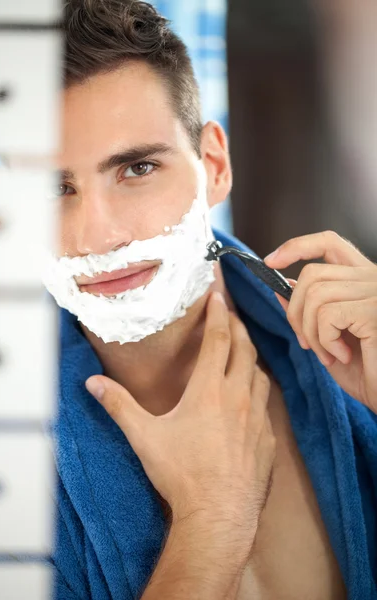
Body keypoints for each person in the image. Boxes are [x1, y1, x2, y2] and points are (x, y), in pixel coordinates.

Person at [44, 1, 377, 598]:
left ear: (215, 165)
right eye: (51, 187)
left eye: (137, 167)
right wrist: (209, 525)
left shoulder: (358, 364)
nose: (98, 235)